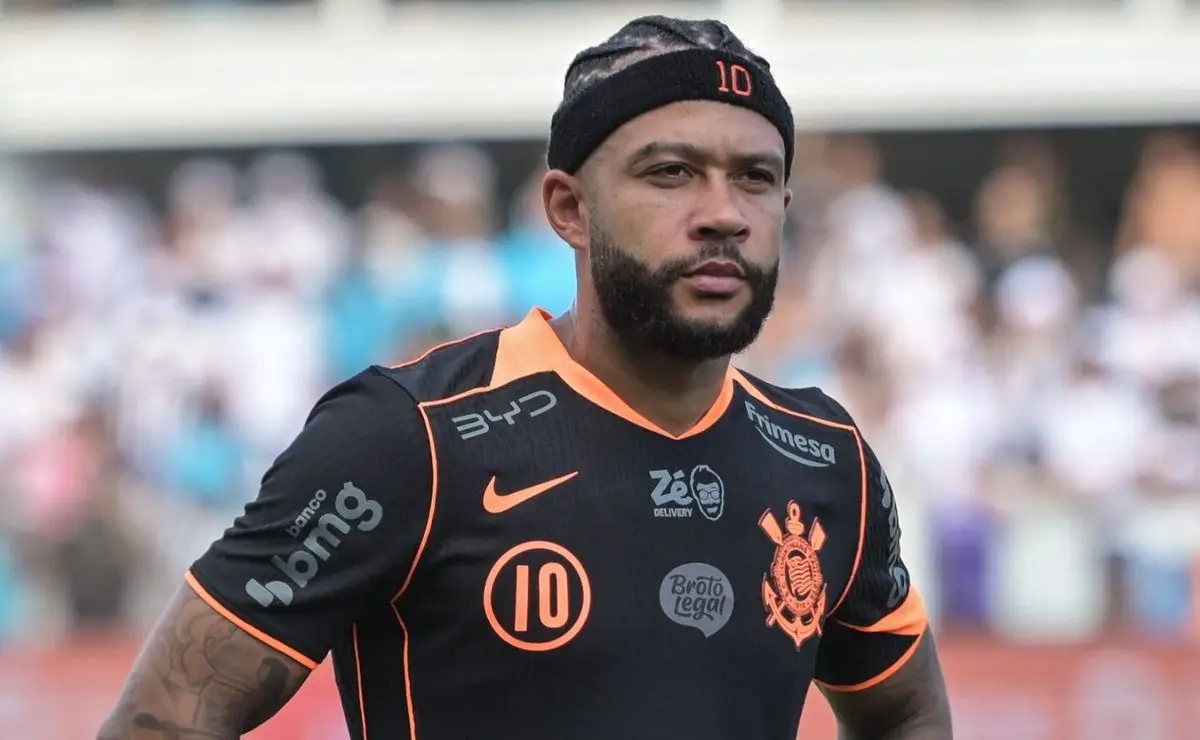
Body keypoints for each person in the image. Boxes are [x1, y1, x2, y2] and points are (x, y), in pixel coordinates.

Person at [98, 15, 952, 740]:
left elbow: (904, 711)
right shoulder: (410, 437)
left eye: (755, 179)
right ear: (568, 210)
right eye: (671, 172)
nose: (723, 214)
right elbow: (166, 717)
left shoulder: (824, 457)